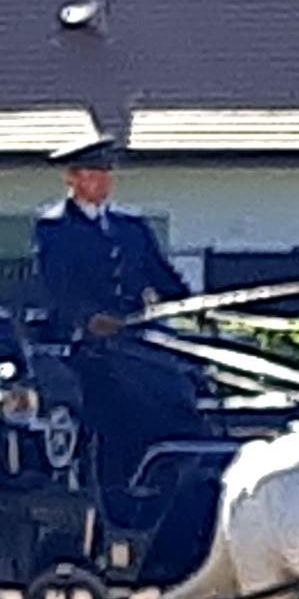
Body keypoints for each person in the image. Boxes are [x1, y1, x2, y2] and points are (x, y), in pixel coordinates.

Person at [33, 135, 207, 489]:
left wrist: (195, 305)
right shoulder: (54, 228)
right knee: (116, 386)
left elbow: (161, 275)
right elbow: (58, 285)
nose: (103, 181)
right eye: (94, 173)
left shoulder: (131, 226)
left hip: (137, 332)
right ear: (73, 178)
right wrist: (89, 319)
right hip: (84, 340)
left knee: (186, 367)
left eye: (107, 173)